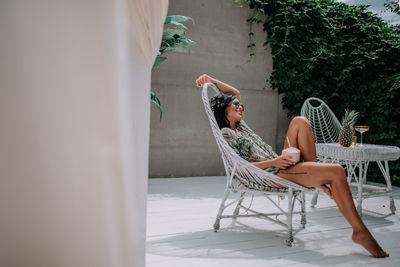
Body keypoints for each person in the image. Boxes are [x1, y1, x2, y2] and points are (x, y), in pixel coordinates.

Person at [195, 74, 389, 258]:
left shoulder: (241, 126)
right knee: (337, 171)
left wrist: (211, 80)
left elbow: (235, 91)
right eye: (235, 105)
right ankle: (359, 231)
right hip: (272, 173)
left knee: (300, 121)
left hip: (281, 165)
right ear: (224, 111)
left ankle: (317, 180)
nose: (240, 106)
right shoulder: (227, 134)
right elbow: (240, 168)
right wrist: (274, 162)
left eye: (241, 105)